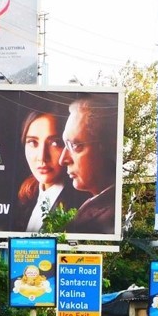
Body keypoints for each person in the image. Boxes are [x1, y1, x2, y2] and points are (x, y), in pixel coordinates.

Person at [13, 109, 87, 232]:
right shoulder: (26, 200)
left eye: (55, 143)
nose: (42, 157)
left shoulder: (81, 208)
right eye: (32, 142)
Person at [59, 94, 119, 234]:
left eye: (74, 145)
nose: (62, 159)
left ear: (107, 146)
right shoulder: (96, 208)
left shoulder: (107, 217)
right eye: (65, 145)